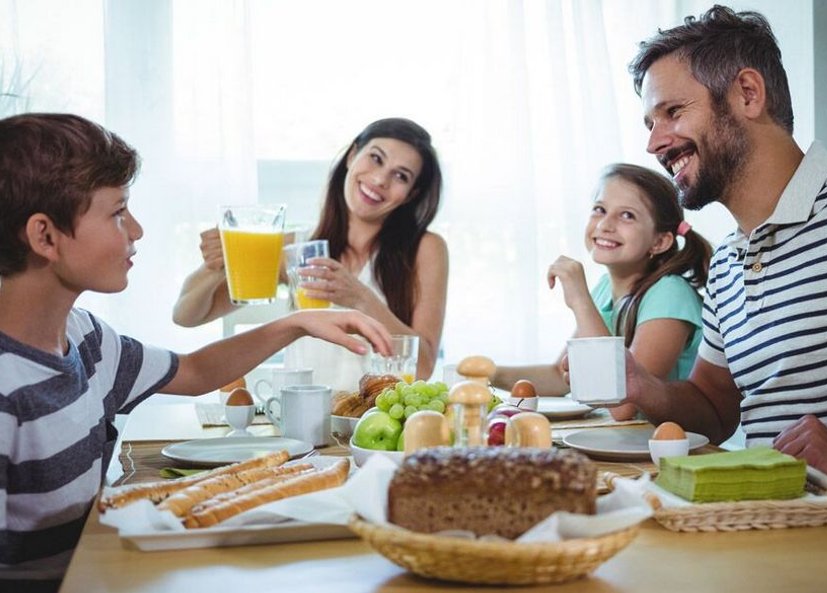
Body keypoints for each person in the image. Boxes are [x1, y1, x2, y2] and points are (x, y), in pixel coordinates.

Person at [0, 113, 392, 591]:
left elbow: (194, 369)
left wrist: (295, 323)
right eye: (118, 212)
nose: (137, 230)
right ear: (45, 236)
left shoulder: (84, 338)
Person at [610, 5, 827, 517]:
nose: (654, 142)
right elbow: (714, 408)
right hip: (782, 536)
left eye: (673, 112)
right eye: (650, 122)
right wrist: (643, 385)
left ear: (748, 93)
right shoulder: (726, 263)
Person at [173, 118, 447, 381]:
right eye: (375, 158)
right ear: (352, 155)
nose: (379, 180)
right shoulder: (297, 249)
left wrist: (360, 298)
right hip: (302, 415)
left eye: (400, 176)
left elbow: (422, 367)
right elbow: (186, 316)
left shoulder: (426, 249)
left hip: (377, 420)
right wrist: (218, 265)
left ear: (411, 194)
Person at [493, 163, 711, 420]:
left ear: (660, 241)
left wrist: (579, 299)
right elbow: (557, 377)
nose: (605, 225)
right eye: (600, 210)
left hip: (661, 452)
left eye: (627, 215)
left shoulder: (670, 294)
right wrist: (490, 373)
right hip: (621, 445)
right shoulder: (605, 289)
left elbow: (622, 405)